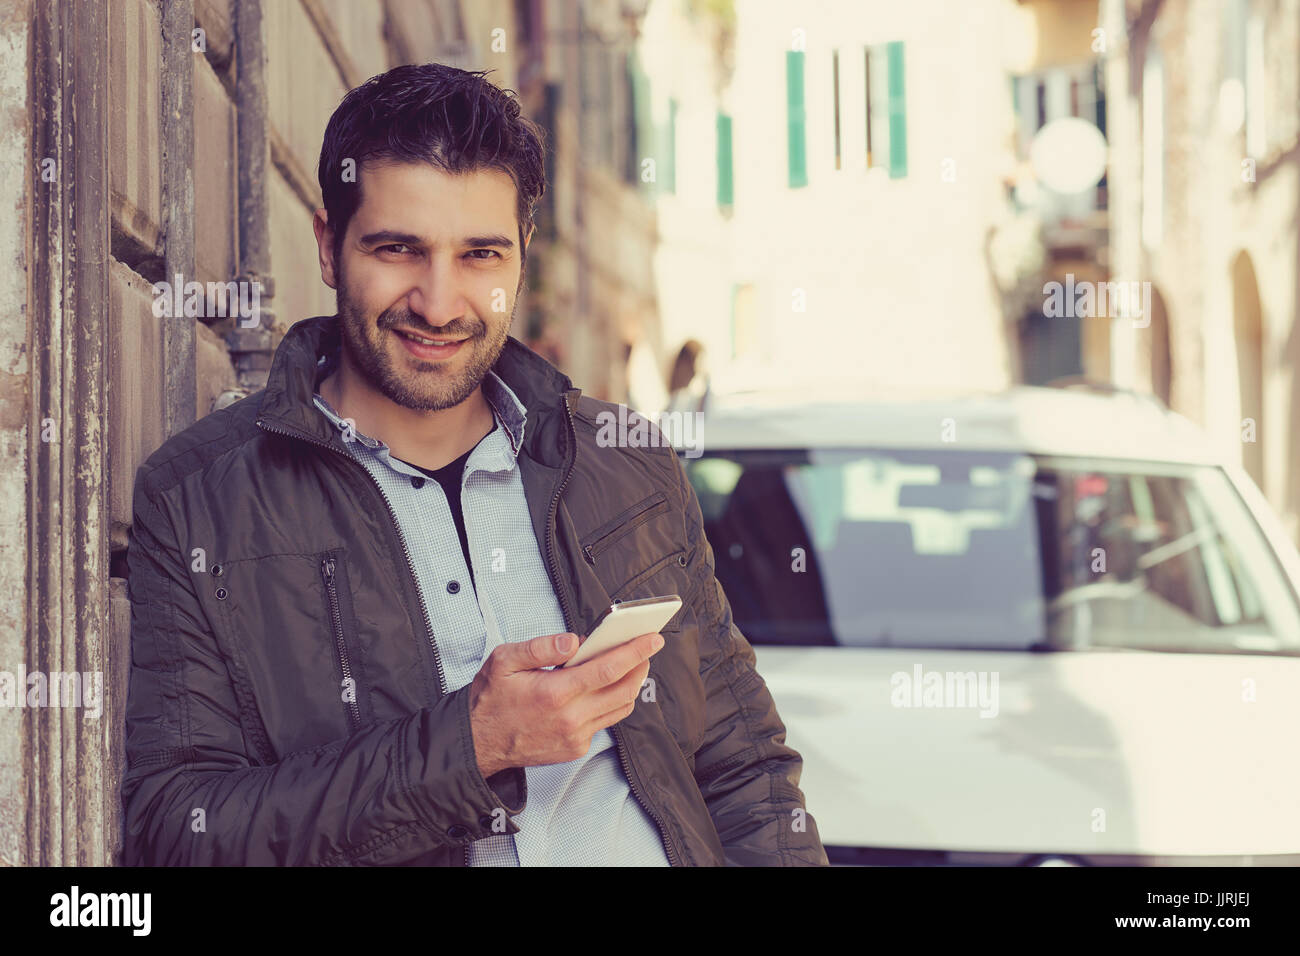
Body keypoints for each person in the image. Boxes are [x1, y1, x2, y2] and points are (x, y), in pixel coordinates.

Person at [121, 63, 827, 866]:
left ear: (522, 253)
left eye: (480, 255)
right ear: (328, 245)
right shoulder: (201, 498)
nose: (440, 301)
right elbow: (178, 830)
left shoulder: (625, 463)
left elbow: (746, 772)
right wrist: (469, 746)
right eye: (398, 248)